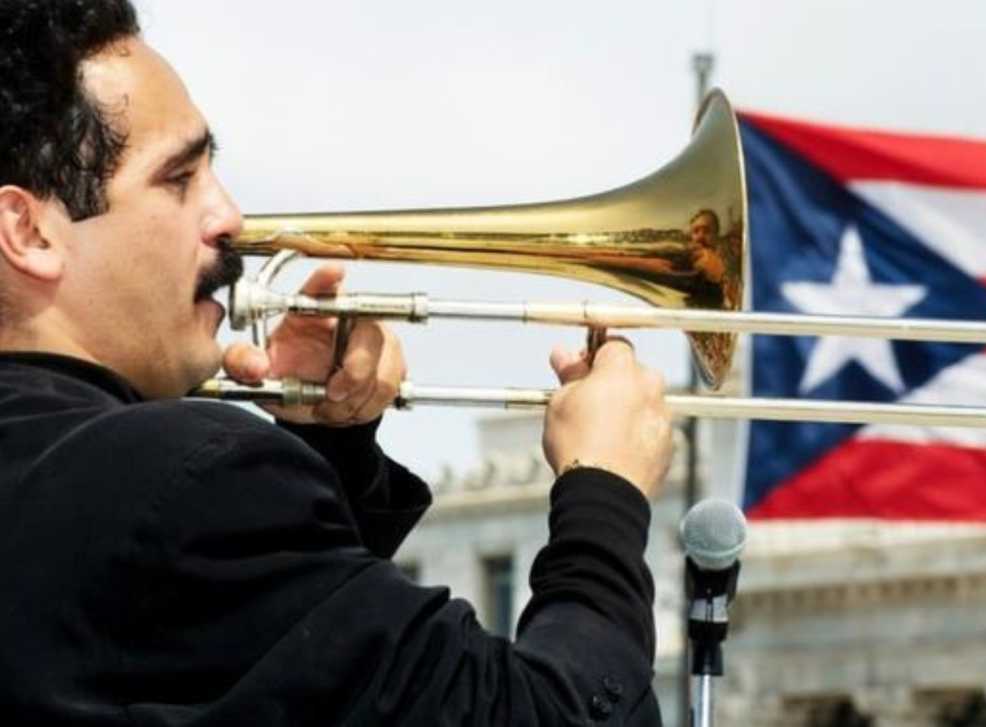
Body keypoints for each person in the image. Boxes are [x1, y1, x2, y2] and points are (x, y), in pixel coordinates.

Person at [0, 1, 673, 724]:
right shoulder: (196, 479)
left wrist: (330, 451)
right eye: (179, 178)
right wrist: (604, 490)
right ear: (29, 229)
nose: (229, 216)